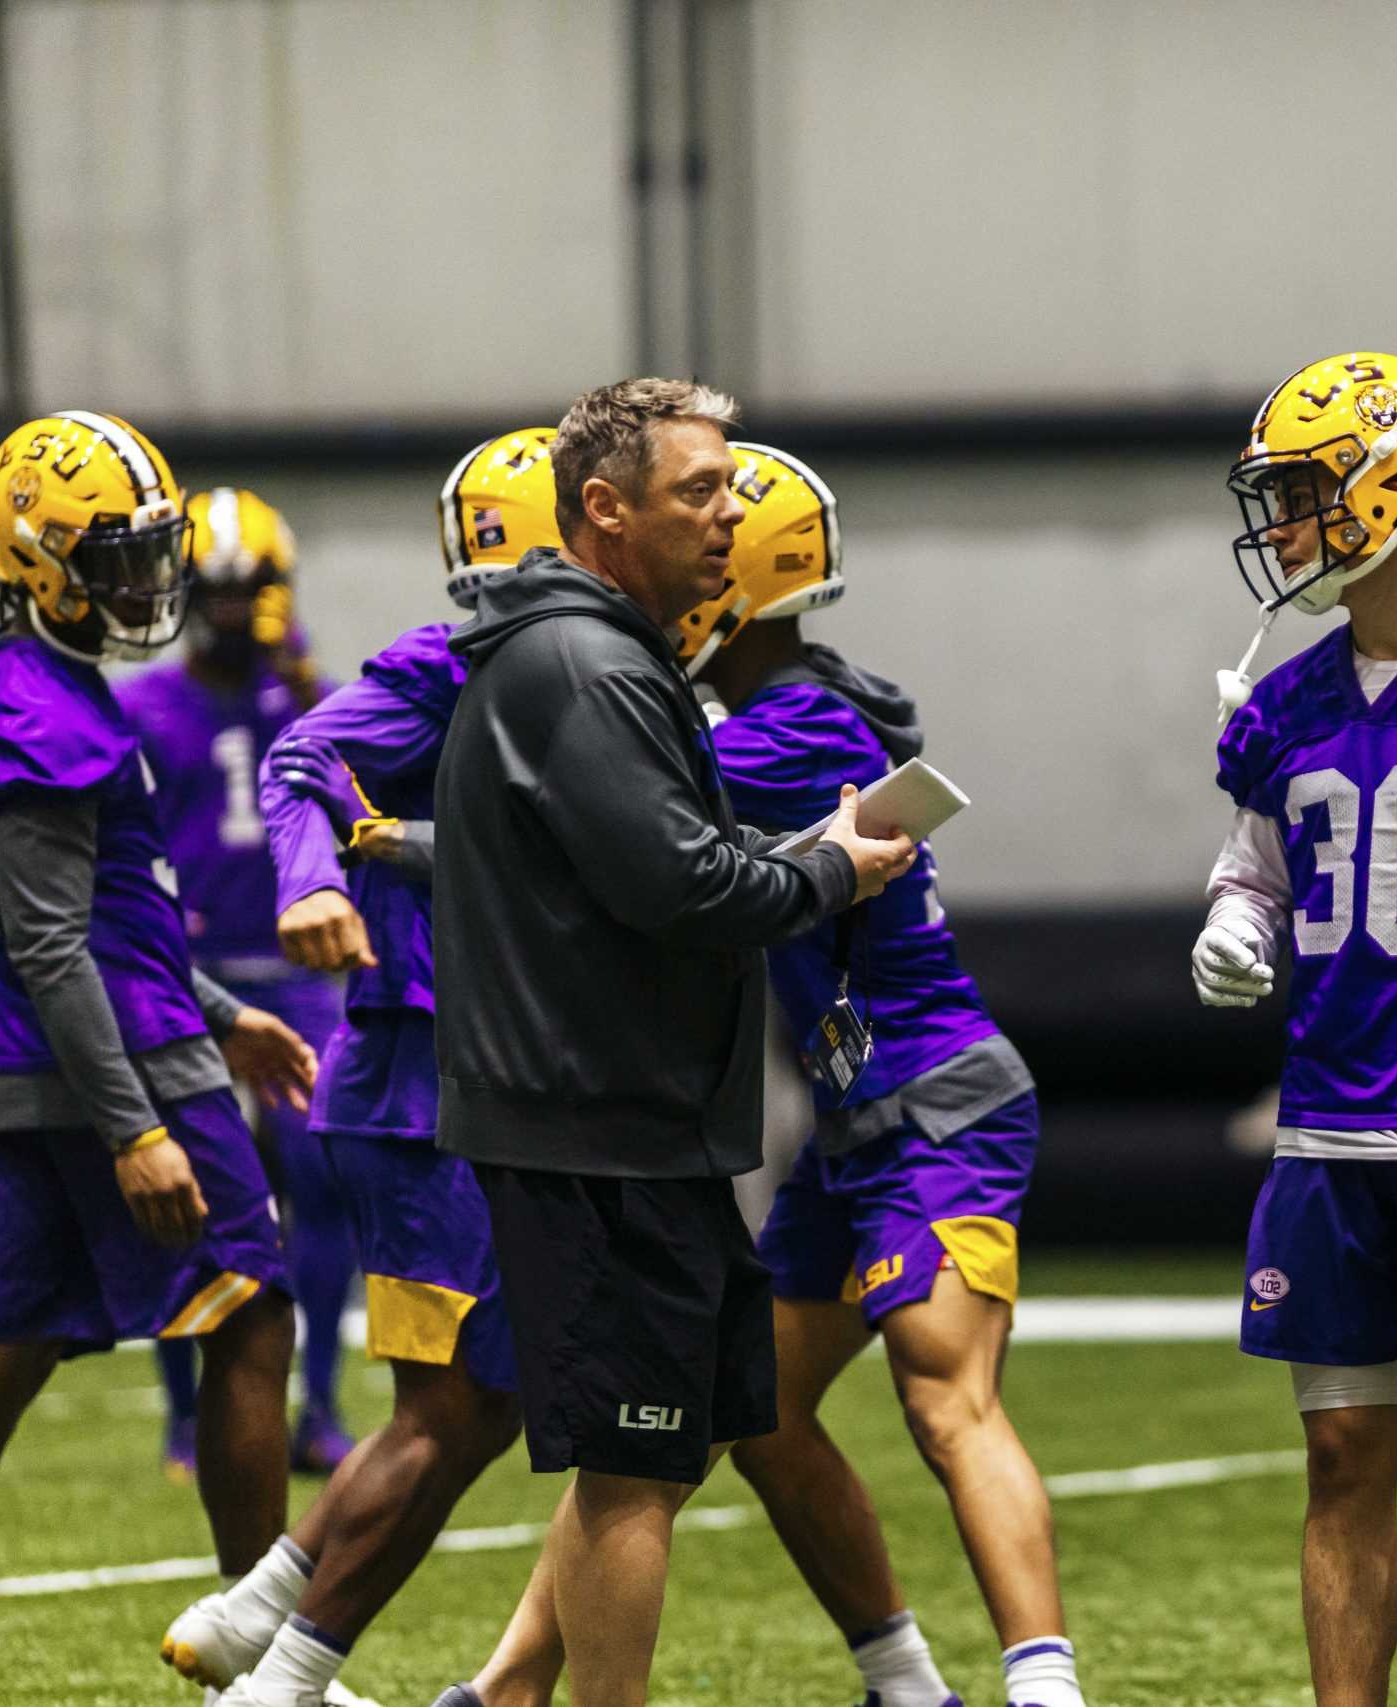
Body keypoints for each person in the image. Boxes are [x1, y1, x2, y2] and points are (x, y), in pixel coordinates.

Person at [433, 378, 913, 1707]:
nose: (731, 511)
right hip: (596, 1121)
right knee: (635, 1460)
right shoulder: (590, 667)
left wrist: (800, 851)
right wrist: (832, 876)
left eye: (731, 483)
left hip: (633, 1115)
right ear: (605, 507)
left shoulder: (595, 656)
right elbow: (685, 890)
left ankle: (510, 1689)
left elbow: (653, 863)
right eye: (699, 488)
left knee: (657, 1447)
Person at [156, 431, 559, 1707]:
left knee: (488, 1401)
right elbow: (303, 776)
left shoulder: (577, 667)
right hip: (386, 1036)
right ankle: (279, 1669)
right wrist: (327, 867)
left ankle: (261, 1614)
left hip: (492, 1054)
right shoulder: (448, 664)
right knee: (457, 1403)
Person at [1198, 352, 1397, 1707]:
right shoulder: (1289, 701)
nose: (1282, 527)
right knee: (1340, 1457)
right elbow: (1258, 863)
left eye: (1306, 493)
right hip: (1329, 1124)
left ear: (1396, 487)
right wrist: (1239, 925)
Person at [0, 411, 315, 1582]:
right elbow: (54, 946)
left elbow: (108, 919)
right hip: (116, 1068)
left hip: (55, 1063)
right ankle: (262, 1646)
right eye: (114, 558)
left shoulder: (28, 679)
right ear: (37, 561)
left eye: (147, 552)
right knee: (253, 1313)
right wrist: (137, 1127)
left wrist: (222, 1010)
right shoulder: (41, 709)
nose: (144, 582)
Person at [119, 486, 355, 1481]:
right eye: (213, 590)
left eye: (247, 587)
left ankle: (323, 1407)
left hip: (299, 976)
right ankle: (186, 1419)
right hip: (190, 976)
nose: (230, 609)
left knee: (323, 1181)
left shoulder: (310, 697)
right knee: (192, 1203)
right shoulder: (139, 707)